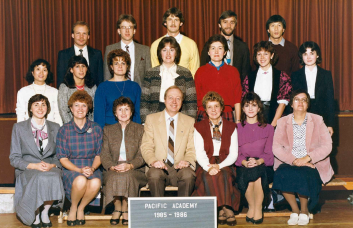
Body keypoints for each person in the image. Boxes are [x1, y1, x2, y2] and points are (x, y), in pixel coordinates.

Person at [272, 90, 334, 226]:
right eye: (296, 99)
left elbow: (327, 145)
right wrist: (294, 160)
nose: (300, 102)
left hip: (312, 162)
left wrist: (307, 158)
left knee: (304, 173)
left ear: (308, 104)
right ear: (292, 104)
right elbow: (276, 147)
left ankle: (304, 211)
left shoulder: (317, 120)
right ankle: (295, 210)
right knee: (282, 174)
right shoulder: (282, 122)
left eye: (304, 100)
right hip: (288, 160)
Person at [10, 94, 65, 227]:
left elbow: (59, 155)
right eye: (36, 105)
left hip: (49, 167)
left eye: (43, 104)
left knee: (53, 176)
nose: (40, 108)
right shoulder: (19, 128)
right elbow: (14, 158)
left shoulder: (56, 127)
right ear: (30, 108)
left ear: (48, 108)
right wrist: (34, 166)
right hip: (28, 168)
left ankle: (45, 212)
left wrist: (52, 165)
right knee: (38, 177)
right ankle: (33, 213)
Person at [192, 91, 240, 226]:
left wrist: (219, 166)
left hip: (225, 162)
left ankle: (222, 209)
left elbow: (233, 154)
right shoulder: (199, 127)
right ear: (205, 110)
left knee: (224, 174)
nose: (213, 110)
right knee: (208, 176)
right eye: (209, 107)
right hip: (206, 162)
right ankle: (224, 208)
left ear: (222, 108)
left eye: (216, 106)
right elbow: (199, 152)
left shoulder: (231, 126)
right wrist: (209, 167)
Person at [56, 90, 103, 226]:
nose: (80, 109)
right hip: (72, 167)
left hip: (91, 166)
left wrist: (93, 168)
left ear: (88, 109)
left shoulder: (96, 128)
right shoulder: (64, 130)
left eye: (84, 105)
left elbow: (99, 154)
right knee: (81, 180)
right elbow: (63, 158)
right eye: (76, 105)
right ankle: (73, 207)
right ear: (71, 108)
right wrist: (79, 170)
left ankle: (81, 208)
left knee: (95, 182)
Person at [141, 86, 196, 197]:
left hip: (180, 168)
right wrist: (153, 161)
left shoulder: (190, 121)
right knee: (154, 174)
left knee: (188, 174)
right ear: (164, 100)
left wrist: (187, 161)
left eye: (178, 98)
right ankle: (159, 211)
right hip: (159, 167)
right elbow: (146, 146)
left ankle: (183, 210)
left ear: (182, 102)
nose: (174, 102)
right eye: (170, 98)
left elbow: (192, 148)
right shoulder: (151, 119)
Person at [100, 97, 147, 226]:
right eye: (120, 109)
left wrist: (131, 165)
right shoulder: (108, 130)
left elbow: (142, 154)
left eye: (127, 109)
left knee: (127, 175)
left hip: (135, 169)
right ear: (115, 113)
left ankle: (125, 208)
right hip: (113, 167)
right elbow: (104, 154)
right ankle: (118, 207)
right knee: (114, 176)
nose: (123, 112)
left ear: (131, 112)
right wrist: (111, 166)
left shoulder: (140, 129)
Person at [235, 92, 274, 224]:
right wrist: (244, 162)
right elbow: (235, 153)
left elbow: (269, 154)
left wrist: (258, 161)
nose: (250, 108)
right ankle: (252, 206)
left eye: (254, 105)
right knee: (250, 174)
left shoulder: (268, 128)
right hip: (243, 164)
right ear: (243, 109)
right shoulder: (237, 128)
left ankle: (258, 208)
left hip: (263, 164)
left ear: (259, 108)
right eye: (247, 105)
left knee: (257, 175)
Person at [140, 36, 197, 123]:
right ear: (160, 53)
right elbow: (144, 101)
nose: (168, 54)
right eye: (164, 50)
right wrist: (145, 122)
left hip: (180, 117)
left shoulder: (185, 73)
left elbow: (191, 101)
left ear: (176, 52)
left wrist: (190, 122)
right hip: (155, 117)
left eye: (171, 50)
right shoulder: (150, 73)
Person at [242, 41, 292, 127]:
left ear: (271, 55)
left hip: (274, 118)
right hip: (253, 118)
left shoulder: (282, 76)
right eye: (259, 54)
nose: (262, 57)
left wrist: (273, 125)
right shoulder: (249, 77)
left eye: (265, 54)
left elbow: (282, 104)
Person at [195, 34, 242, 123]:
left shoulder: (233, 71)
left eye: (220, 48)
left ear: (225, 52)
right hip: (205, 113)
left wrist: (238, 120)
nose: (216, 52)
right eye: (213, 48)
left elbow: (237, 100)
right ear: (208, 52)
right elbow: (197, 99)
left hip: (226, 113)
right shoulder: (200, 72)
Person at [291, 41, 335, 136]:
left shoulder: (326, 75)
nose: (308, 57)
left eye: (312, 53)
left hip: (321, 113)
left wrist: (330, 124)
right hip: (301, 112)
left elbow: (330, 101)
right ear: (302, 56)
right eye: (305, 54)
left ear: (317, 55)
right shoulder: (295, 75)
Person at [94, 49, 141, 128]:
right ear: (111, 67)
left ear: (127, 66)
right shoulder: (102, 87)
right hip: (109, 130)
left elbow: (137, 113)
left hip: (130, 130)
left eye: (123, 63)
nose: (120, 66)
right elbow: (99, 116)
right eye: (116, 63)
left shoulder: (135, 86)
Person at [200, 10, 250, 80]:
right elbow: (203, 68)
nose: (228, 26)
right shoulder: (209, 44)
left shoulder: (243, 47)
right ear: (219, 25)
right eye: (225, 22)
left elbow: (245, 73)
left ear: (235, 25)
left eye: (232, 22)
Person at [103, 14, 151, 86]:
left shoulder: (145, 50)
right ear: (119, 31)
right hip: (116, 92)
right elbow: (107, 76)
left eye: (130, 27)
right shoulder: (110, 49)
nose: (127, 31)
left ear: (134, 31)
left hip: (138, 93)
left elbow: (148, 76)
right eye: (124, 27)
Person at [150, 7, 200, 77]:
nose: (173, 23)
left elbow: (195, 71)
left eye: (176, 20)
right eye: (170, 20)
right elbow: (155, 71)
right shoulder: (156, 45)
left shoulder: (191, 44)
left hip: (185, 86)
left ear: (181, 23)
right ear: (165, 23)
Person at [16, 59, 63, 125]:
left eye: (44, 70)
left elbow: (57, 115)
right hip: (28, 130)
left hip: (50, 131)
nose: (41, 73)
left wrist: (58, 132)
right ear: (32, 72)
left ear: (47, 73)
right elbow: (20, 115)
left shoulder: (55, 92)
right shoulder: (23, 92)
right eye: (38, 69)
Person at [57, 21, 103, 87]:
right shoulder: (63, 55)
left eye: (84, 33)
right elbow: (60, 80)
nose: (81, 37)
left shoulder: (97, 54)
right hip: (70, 95)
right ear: (72, 35)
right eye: (78, 33)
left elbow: (100, 79)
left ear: (88, 36)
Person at [58, 55, 97, 123]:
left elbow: (95, 110)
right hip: (71, 127)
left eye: (83, 66)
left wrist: (90, 126)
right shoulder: (65, 87)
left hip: (89, 126)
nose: (81, 70)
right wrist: (72, 127)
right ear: (71, 70)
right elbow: (63, 111)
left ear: (87, 68)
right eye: (77, 66)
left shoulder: (92, 87)